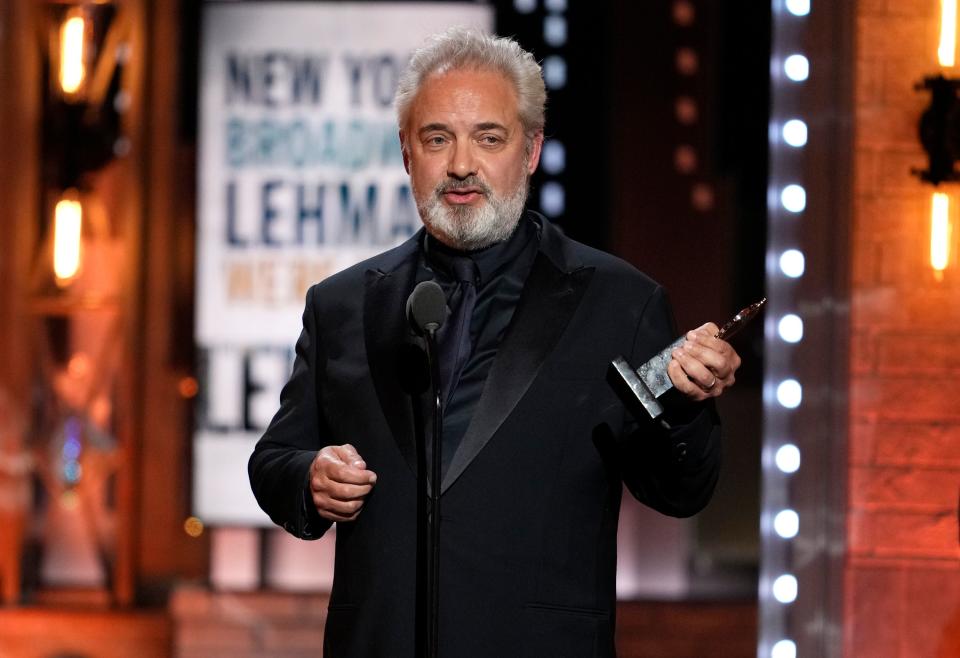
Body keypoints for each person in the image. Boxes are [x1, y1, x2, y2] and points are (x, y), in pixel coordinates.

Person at [249, 27, 741, 658]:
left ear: (531, 150)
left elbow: (678, 490)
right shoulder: (341, 305)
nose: (461, 165)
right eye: (436, 139)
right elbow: (275, 459)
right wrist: (308, 478)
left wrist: (686, 402)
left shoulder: (620, 302)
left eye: (489, 137)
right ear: (406, 152)